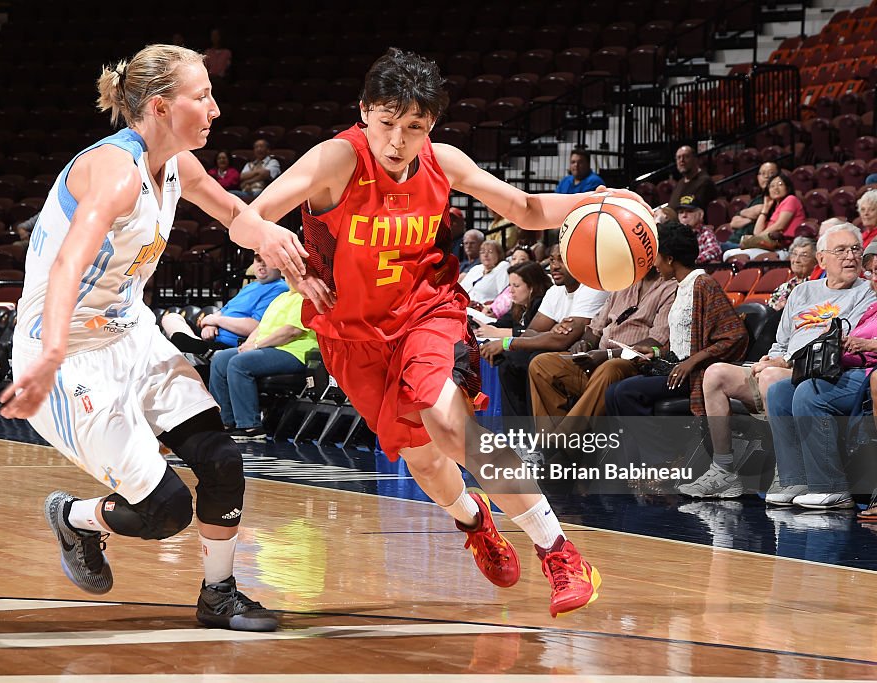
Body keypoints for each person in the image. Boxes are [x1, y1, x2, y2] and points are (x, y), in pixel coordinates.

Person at [230, 48, 644, 617]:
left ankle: (561, 553)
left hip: (428, 310)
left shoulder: (442, 161)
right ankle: (475, 522)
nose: (399, 141)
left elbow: (523, 207)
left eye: (415, 127)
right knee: (423, 459)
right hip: (353, 336)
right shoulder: (334, 160)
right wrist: (279, 251)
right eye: (387, 124)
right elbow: (246, 218)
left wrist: (596, 200)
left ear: (432, 126)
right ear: (364, 112)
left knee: (453, 425)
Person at [0, 44, 304, 632]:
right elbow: (66, 267)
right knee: (164, 511)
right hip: (66, 354)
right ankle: (76, 517)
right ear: (161, 107)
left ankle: (219, 595)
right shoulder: (114, 171)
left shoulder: (179, 166)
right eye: (203, 95)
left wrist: (271, 238)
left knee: (221, 461)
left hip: (130, 333)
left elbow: (235, 216)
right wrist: (52, 355)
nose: (215, 107)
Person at [697, 224, 875, 499]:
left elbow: (841, 345)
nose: (850, 256)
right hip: (783, 365)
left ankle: (787, 471)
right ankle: (723, 469)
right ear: (822, 259)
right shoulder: (802, 292)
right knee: (715, 374)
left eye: (855, 249)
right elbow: (781, 341)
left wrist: (785, 363)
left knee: (772, 380)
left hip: (816, 370)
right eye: (840, 250)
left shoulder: (867, 293)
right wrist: (774, 357)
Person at [606, 225, 747, 471]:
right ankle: (643, 463)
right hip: (674, 366)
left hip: (693, 373)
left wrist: (692, 361)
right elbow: (682, 338)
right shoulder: (680, 287)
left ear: (670, 258)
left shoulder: (703, 284)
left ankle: (664, 462)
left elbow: (734, 335)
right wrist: (656, 353)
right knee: (613, 392)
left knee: (626, 392)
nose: (654, 264)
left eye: (657, 257)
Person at [764, 254, 877, 510]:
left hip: (871, 376)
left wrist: (868, 344)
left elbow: (869, 346)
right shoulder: (872, 307)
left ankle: (831, 486)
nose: (873, 279)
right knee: (780, 391)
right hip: (850, 369)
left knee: (809, 393)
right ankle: (795, 480)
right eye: (871, 272)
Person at [527, 264, 676, 436]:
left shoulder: (670, 288)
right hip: (598, 356)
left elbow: (655, 341)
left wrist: (606, 355)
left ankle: (561, 441)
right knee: (541, 364)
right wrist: (585, 344)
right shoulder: (624, 284)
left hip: (632, 363)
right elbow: (594, 329)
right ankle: (554, 448)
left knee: (610, 368)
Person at [480, 244, 609, 417]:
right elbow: (530, 332)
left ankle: (542, 436)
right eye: (552, 260)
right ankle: (519, 436)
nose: (554, 266)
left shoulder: (593, 288)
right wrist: (551, 333)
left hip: (581, 356)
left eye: (562, 260)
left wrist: (506, 342)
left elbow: (563, 340)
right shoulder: (555, 291)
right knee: (508, 359)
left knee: (533, 358)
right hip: (555, 349)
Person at [209, 283, 317, 441]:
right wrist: (248, 344)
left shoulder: (308, 297)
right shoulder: (282, 297)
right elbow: (261, 327)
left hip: (296, 352)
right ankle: (226, 422)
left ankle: (250, 426)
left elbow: (291, 331)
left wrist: (257, 345)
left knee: (240, 364)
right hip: (270, 347)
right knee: (220, 359)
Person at [722, 173, 805, 262]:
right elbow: (756, 231)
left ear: (787, 188)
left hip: (783, 249)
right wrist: (765, 208)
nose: (776, 188)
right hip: (768, 247)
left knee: (727, 252)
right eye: (772, 186)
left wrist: (755, 240)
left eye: (780, 184)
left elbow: (779, 225)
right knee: (727, 252)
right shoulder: (774, 208)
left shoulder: (791, 199)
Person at [472, 261, 552, 340]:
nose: (511, 290)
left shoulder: (541, 304)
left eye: (516, 286)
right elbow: (503, 323)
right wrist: (480, 328)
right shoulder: (519, 304)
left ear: (532, 287)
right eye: (510, 285)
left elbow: (531, 333)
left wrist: (497, 332)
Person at [720, 161, 779, 252]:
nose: (766, 176)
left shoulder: (776, 199)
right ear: (758, 177)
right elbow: (734, 223)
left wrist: (745, 214)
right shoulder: (758, 198)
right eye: (762, 174)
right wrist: (751, 217)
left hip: (748, 244)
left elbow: (760, 209)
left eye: (771, 173)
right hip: (733, 241)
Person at [768, 237, 817, 311]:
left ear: (815, 260)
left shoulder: (814, 286)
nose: (796, 260)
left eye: (804, 256)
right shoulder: (784, 287)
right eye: (794, 254)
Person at [484, 246, 533, 319]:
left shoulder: (527, 297)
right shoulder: (508, 288)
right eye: (514, 259)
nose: (517, 262)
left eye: (522, 259)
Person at [668, 145, 717, 212]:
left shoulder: (704, 182)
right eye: (678, 158)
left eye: (686, 157)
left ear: (695, 159)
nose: (681, 160)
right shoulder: (680, 182)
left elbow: (694, 212)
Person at [461, 239, 509, 305]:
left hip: (484, 310)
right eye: (482, 252)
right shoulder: (476, 268)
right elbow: (461, 289)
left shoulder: (502, 267)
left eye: (490, 251)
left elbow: (504, 294)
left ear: (499, 254)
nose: (485, 255)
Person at [675, 198, 722, 264]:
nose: (684, 215)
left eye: (689, 211)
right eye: (681, 212)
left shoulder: (705, 233)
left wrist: (690, 261)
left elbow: (715, 250)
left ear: (700, 214)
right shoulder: (675, 235)